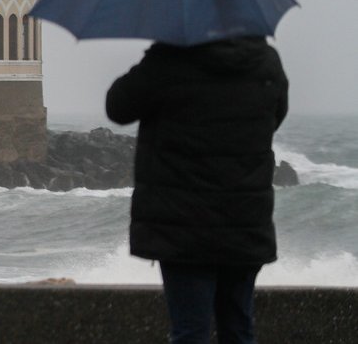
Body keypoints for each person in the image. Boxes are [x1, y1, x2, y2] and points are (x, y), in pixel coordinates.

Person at [105, 36, 288, 344]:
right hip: (244, 221)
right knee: (239, 330)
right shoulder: (265, 61)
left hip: (182, 226)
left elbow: (118, 106)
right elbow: (274, 117)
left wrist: (156, 53)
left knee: (190, 331)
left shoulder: (168, 58)